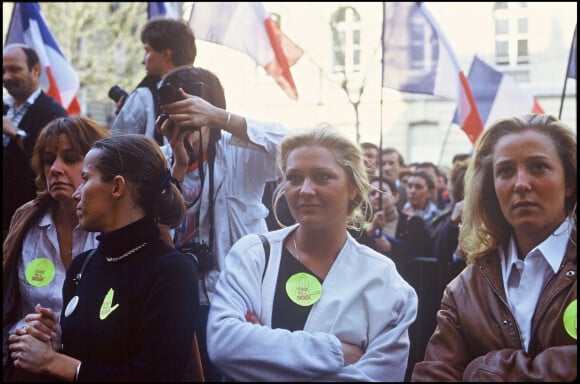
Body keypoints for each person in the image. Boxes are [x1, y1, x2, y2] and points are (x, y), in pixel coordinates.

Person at [206, 126, 418, 381]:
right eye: (294, 178)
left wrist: (261, 353)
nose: (305, 189)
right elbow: (223, 343)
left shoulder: (385, 282)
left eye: (322, 176)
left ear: (353, 187)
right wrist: (335, 352)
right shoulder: (252, 255)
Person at [7, 134, 201, 382]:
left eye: (86, 179)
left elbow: (156, 374)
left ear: (117, 187)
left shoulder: (171, 271)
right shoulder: (82, 266)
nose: (77, 193)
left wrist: (56, 363)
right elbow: (88, 354)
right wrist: (50, 338)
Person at [412, 114, 577, 381]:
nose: (521, 183)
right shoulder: (464, 290)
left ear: (568, 181)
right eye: (506, 171)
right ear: (492, 186)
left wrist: (482, 370)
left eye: (538, 167)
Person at [156, 65, 288, 381]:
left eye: (193, 121)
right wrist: (178, 166)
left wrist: (221, 118)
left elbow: (292, 143)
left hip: (240, 297)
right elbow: (154, 229)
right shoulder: (159, 159)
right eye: (177, 120)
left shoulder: (241, 151)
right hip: (180, 299)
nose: (185, 131)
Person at [2, 116, 110, 382]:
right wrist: (23, 331)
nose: (56, 169)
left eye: (71, 158)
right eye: (49, 160)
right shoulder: (26, 220)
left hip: (92, 370)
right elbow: (9, 309)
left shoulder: (116, 225)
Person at [3, 43, 68, 238]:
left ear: (35, 70)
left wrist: (15, 133)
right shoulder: (5, 107)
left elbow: (52, 155)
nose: (6, 77)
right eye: (3, 71)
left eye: (14, 69)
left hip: (29, 224)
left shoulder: (52, 112)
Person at [110, 17, 197, 146]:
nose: (143, 60)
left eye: (147, 51)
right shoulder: (206, 95)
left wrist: (127, 112)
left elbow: (114, 150)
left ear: (167, 55)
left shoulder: (142, 97)